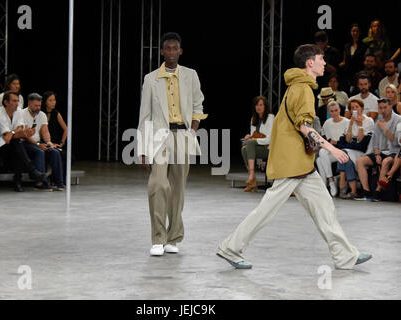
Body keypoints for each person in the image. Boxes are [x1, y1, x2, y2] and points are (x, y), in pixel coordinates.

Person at [216, 44, 371, 270]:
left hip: (300, 164)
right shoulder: (303, 89)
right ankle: (230, 247)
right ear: (310, 63)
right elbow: (305, 127)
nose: (324, 62)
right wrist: (332, 149)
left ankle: (345, 254)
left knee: (324, 206)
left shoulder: (298, 86)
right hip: (292, 164)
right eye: (321, 58)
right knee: (266, 211)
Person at [137, 32, 208, 256]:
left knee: (177, 190)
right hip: (159, 137)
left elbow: (199, 105)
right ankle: (158, 238)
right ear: (161, 51)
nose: (170, 52)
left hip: (182, 136)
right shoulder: (151, 79)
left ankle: (173, 237)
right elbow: (145, 115)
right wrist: (142, 149)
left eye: (174, 48)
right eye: (166, 48)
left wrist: (192, 132)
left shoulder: (191, 75)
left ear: (180, 51)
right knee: (158, 185)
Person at [0, 91, 47, 192]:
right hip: (0, 144)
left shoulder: (19, 111)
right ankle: (27, 174)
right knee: (17, 144)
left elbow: (19, 128)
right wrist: (21, 133)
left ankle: (20, 179)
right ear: (6, 102)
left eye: (18, 101)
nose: (17, 103)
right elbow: (5, 135)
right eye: (14, 101)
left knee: (16, 145)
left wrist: (14, 132)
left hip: (12, 142)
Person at [355, 98, 401, 201]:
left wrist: (385, 128)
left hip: (394, 152)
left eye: (385, 107)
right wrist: (376, 154)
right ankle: (366, 191)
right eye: (380, 108)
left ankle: (377, 191)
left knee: (385, 161)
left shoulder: (398, 120)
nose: (383, 110)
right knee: (360, 160)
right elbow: (375, 142)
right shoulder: (379, 121)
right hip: (381, 151)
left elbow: (396, 141)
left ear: (390, 107)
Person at [22, 93, 63, 191]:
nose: (38, 108)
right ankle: (40, 182)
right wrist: (38, 145)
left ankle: (59, 182)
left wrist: (49, 142)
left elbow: (45, 131)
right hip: (25, 142)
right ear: (29, 104)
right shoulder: (22, 114)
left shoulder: (42, 114)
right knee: (39, 152)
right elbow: (26, 134)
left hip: (38, 142)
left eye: (39, 105)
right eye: (36, 105)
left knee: (54, 152)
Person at [337, 98, 374, 199]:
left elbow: (361, 141)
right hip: (351, 150)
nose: (355, 109)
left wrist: (360, 126)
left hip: (364, 150)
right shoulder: (349, 121)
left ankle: (342, 181)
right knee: (346, 158)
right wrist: (350, 124)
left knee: (343, 152)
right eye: (352, 108)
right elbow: (348, 140)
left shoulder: (368, 120)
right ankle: (353, 191)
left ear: (361, 108)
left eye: (357, 107)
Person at [240, 96, 274, 192]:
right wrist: (248, 137)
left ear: (265, 106)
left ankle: (252, 177)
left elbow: (269, 140)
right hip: (258, 147)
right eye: (256, 105)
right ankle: (253, 181)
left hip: (268, 149)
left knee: (250, 144)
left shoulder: (271, 118)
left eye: (261, 105)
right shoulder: (253, 119)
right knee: (244, 148)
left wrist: (253, 139)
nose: (258, 107)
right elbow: (253, 136)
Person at [317, 101, 350, 196]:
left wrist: (336, 142)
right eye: (332, 111)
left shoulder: (346, 122)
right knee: (321, 154)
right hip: (330, 151)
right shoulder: (327, 123)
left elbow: (346, 141)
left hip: (341, 151)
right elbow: (324, 139)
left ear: (340, 110)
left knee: (320, 159)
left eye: (336, 110)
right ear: (329, 112)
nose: (334, 113)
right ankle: (330, 181)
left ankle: (325, 185)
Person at [339, 24, 367, 92]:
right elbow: (344, 61)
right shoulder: (347, 46)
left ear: (359, 32)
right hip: (348, 74)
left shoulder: (364, 46)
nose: (355, 33)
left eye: (357, 31)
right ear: (350, 32)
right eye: (353, 31)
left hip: (359, 73)